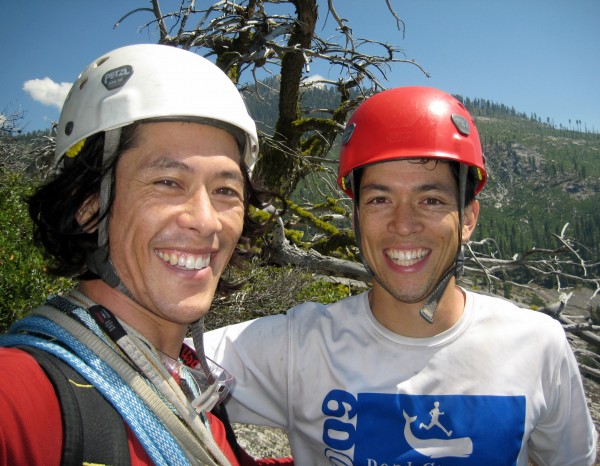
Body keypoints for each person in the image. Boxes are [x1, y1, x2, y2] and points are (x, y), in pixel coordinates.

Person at [201, 87, 598, 465]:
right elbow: (154, 366)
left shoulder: (538, 345)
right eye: (379, 199)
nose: (403, 224)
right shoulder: (296, 348)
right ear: (355, 217)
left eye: (431, 200)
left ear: (468, 219)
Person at [0, 44, 292, 466]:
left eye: (226, 190)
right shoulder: (22, 397)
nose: (207, 221)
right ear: (89, 206)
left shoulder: (187, 388)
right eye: (168, 182)